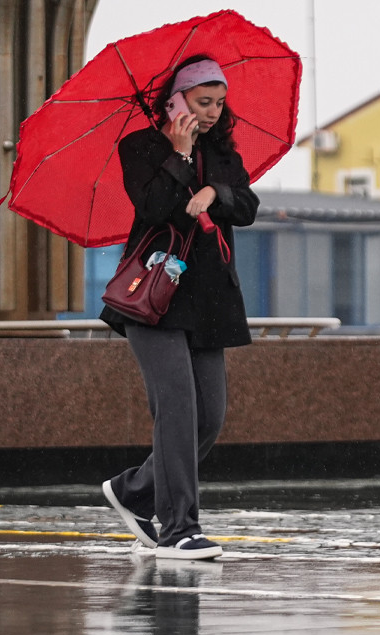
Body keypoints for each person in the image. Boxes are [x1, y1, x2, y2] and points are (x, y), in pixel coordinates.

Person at [101, 55, 259, 561]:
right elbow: (151, 207)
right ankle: (179, 528)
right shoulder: (141, 147)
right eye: (202, 102)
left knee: (208, 417)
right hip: (153, 297)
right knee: (176, 409)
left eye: (218, 103)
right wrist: (179, 153)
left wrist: (216, 190)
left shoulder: (223, 152)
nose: (212, 113)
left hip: (209, 300)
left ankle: (133, 490)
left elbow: (248, 206)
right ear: (176, 99)